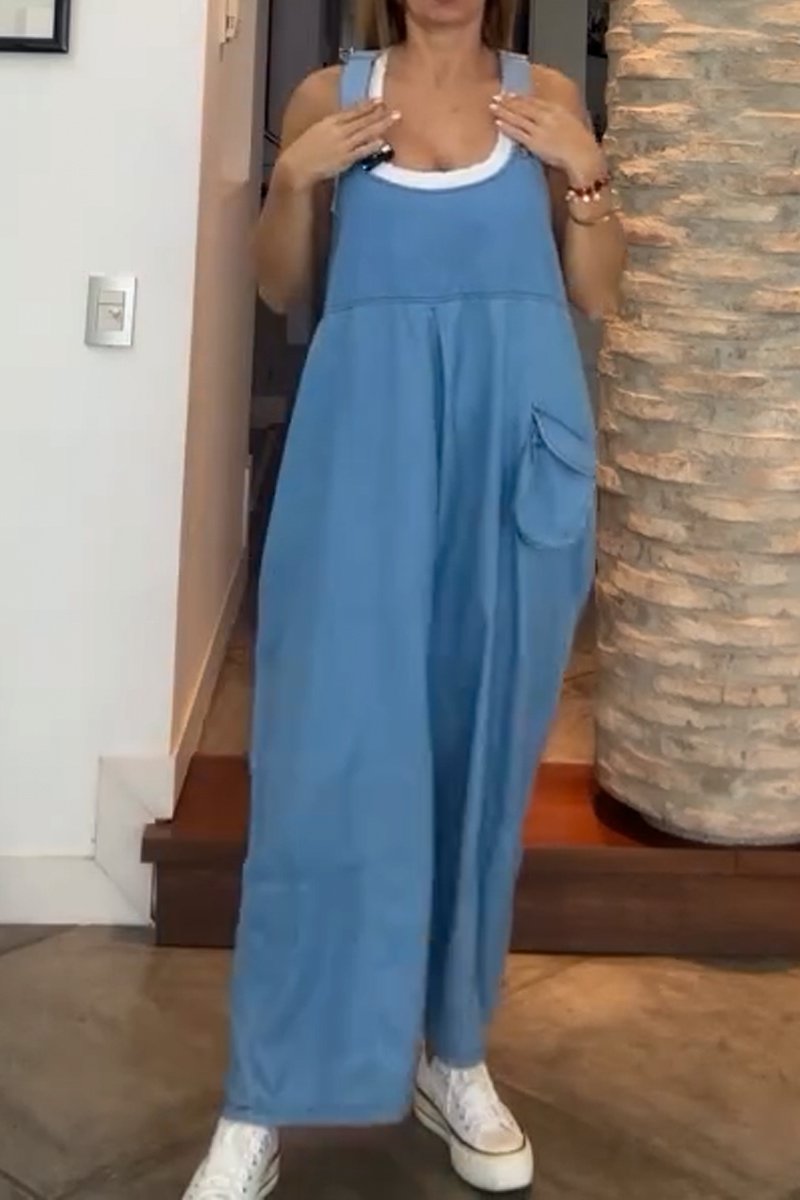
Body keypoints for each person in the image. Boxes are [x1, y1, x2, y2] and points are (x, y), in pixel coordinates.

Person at [184, 0, 624, 1195]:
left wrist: (585, 176)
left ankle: (453, 1054)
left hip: (511, 460)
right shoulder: (330, 100)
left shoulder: (542, 99)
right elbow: (282, 285)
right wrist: (292, 180)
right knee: (323, 762)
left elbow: (594, 295)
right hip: (361, 458)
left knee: (481, 767)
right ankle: (265, 1091)